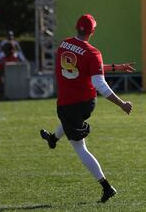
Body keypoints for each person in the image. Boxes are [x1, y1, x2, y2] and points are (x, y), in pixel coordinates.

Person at [40, 14, 134, 204]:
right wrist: (117, 68)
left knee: (80, 147)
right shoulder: (93, 53)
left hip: (69, 102)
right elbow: (92, 71)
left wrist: (121, 104)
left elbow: (92, 76)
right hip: (86, 101)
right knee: (68, 122)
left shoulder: (64, 44)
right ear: (92, 31)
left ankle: (106, 187)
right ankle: (53, 138)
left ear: (76, 27)